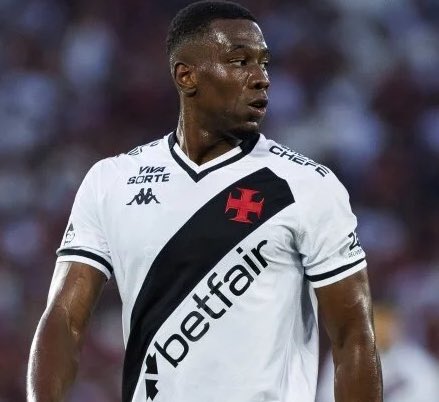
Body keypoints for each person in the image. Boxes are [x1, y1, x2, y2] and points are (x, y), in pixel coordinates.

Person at [27, 1, 383, 401]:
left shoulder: (306, 186)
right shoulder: (113, 181)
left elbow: (353, 335)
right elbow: (64, 320)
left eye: (264, 63)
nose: (261, 78)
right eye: (239, 61)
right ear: (187, 76)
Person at [317, 302, 439, 402]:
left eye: (388, 322)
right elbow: (326, 397)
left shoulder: (418, 362)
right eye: (378, 320)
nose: (382, 329)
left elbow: (431, 394)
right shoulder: (345, 355)